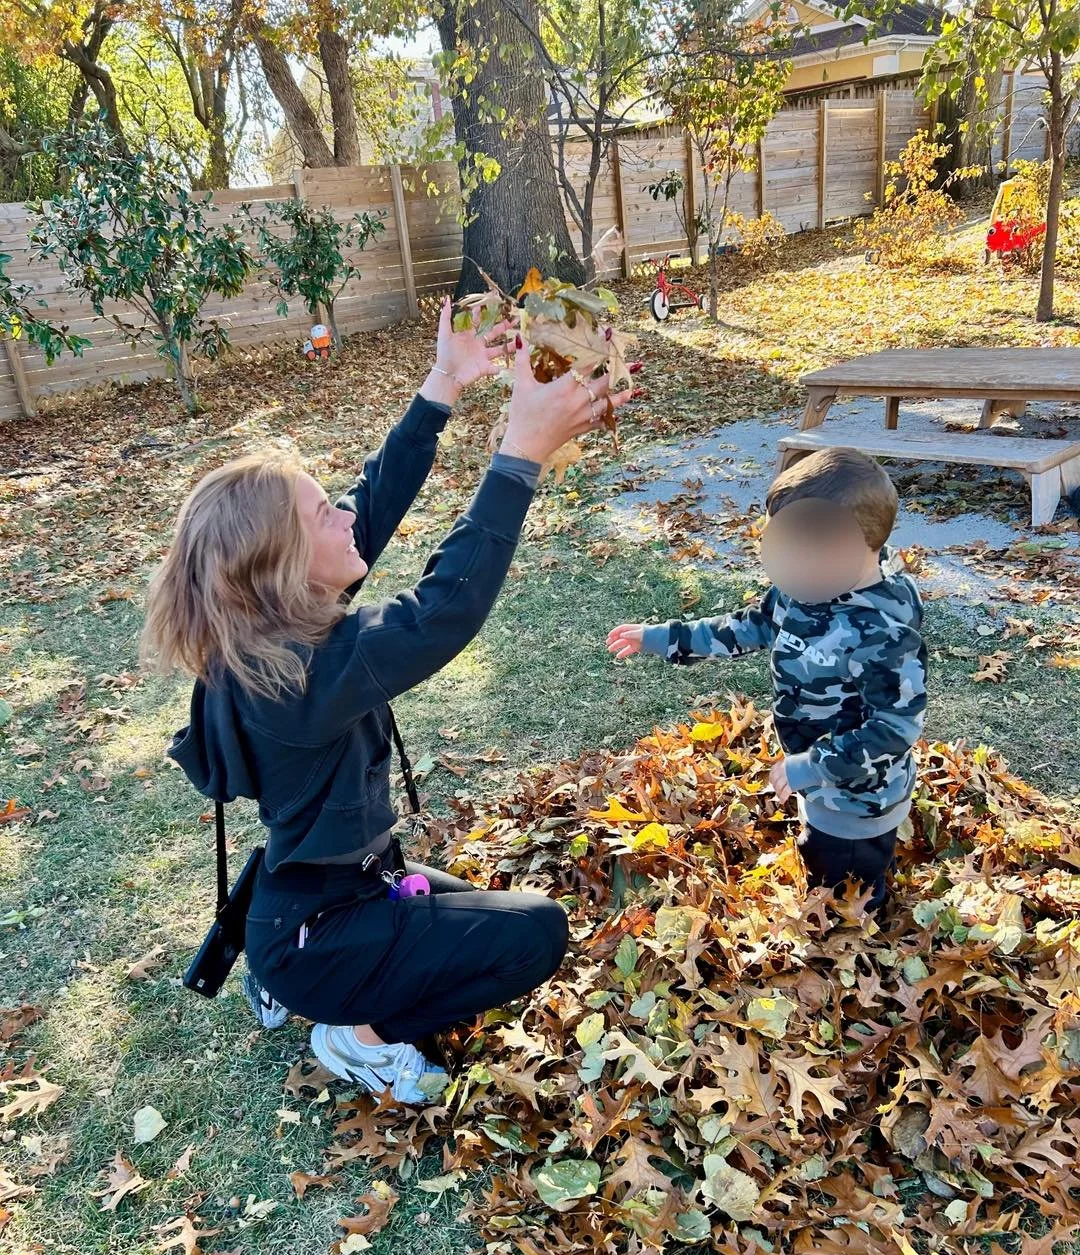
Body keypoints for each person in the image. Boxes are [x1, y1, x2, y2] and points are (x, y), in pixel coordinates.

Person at [142, 298, 631, 1104]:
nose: (346, 513)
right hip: (317, 930)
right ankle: (354, 1034)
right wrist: (519, 452)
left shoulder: (274, 626)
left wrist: (443, 384)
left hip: (341, 891)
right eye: (322, 513)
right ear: (286, 568)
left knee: (487, 911)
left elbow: (374, 503)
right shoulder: (296, 677)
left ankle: (307, 988)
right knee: (536, 934)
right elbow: (443, 611)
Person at [606, 447, 928, 913]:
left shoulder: (883, 634)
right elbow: (745, 626)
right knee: (825, 847)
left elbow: (895, 728)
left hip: (858, 797)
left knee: (844, 882)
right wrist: (663, 637)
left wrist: (811, 766)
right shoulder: (804, 588)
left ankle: (852, 926)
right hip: (816, 778)